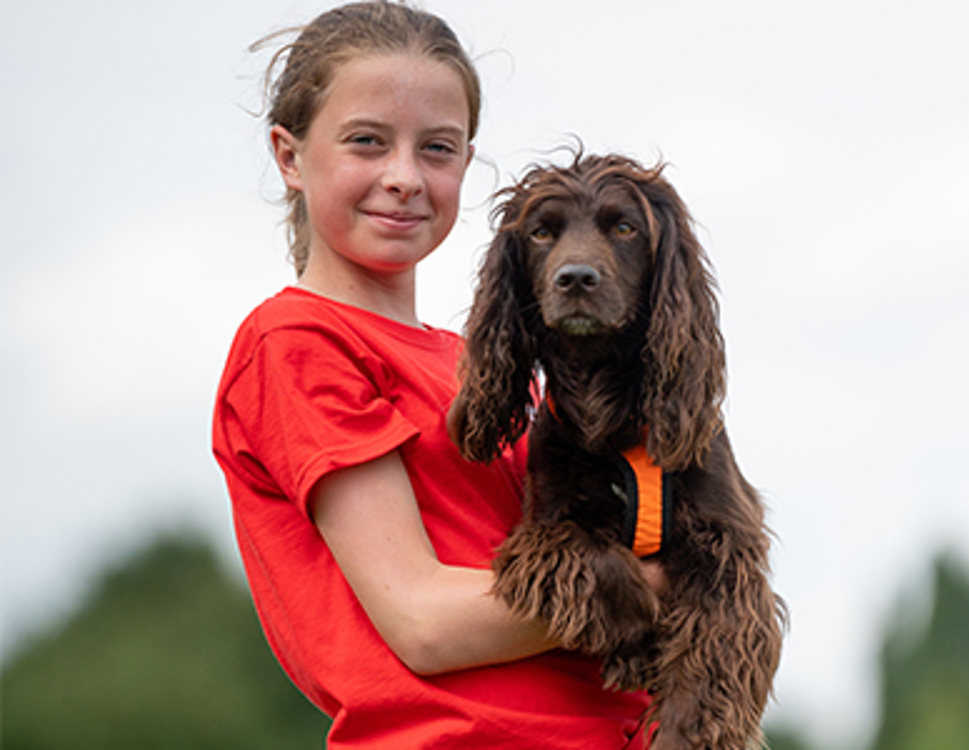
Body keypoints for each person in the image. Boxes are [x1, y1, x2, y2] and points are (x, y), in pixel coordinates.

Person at [212, 3, 650, 747]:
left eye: (437, 149)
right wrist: (666, 589)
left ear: (466, 165)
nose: (404, 178)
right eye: (367, 142)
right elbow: (424, 621)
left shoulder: (484, 368)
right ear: (289, 156)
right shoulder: (296, 342)